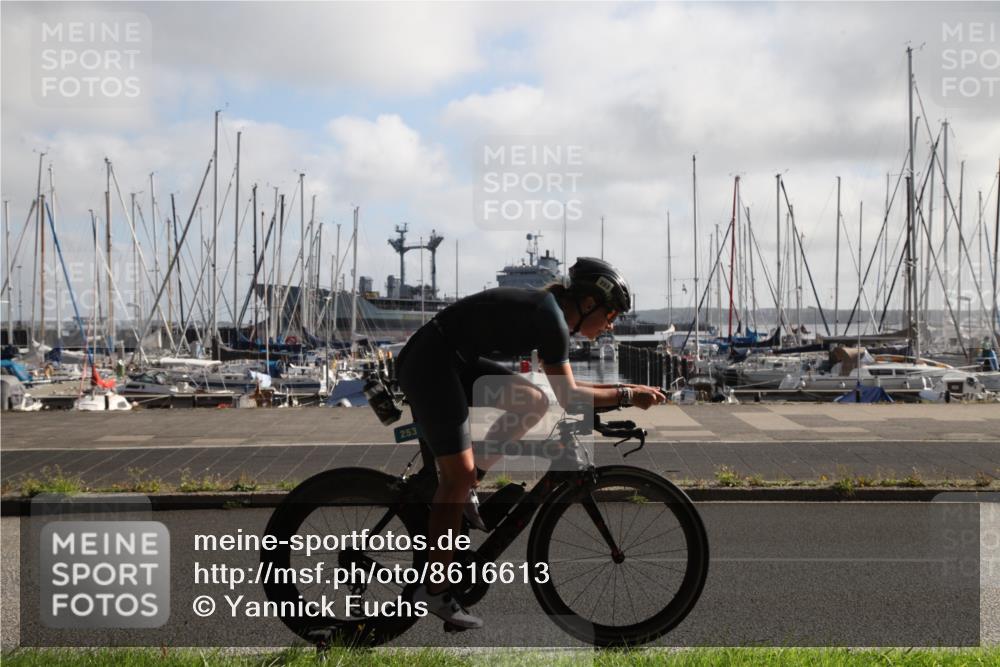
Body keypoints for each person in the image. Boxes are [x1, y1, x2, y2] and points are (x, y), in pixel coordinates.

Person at [395, 257, 667, 629]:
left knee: (532, 401)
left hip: (451, 359)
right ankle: (435, 590)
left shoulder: (551, 316)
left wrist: (629, 391)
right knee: (454, 478)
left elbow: (560, 392)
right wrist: (626, 394)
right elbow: (571, 396)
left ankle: (470, 485)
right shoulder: (552, 320)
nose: (611, 323)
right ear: (588, 304)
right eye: (611, 313)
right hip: (431, 363)